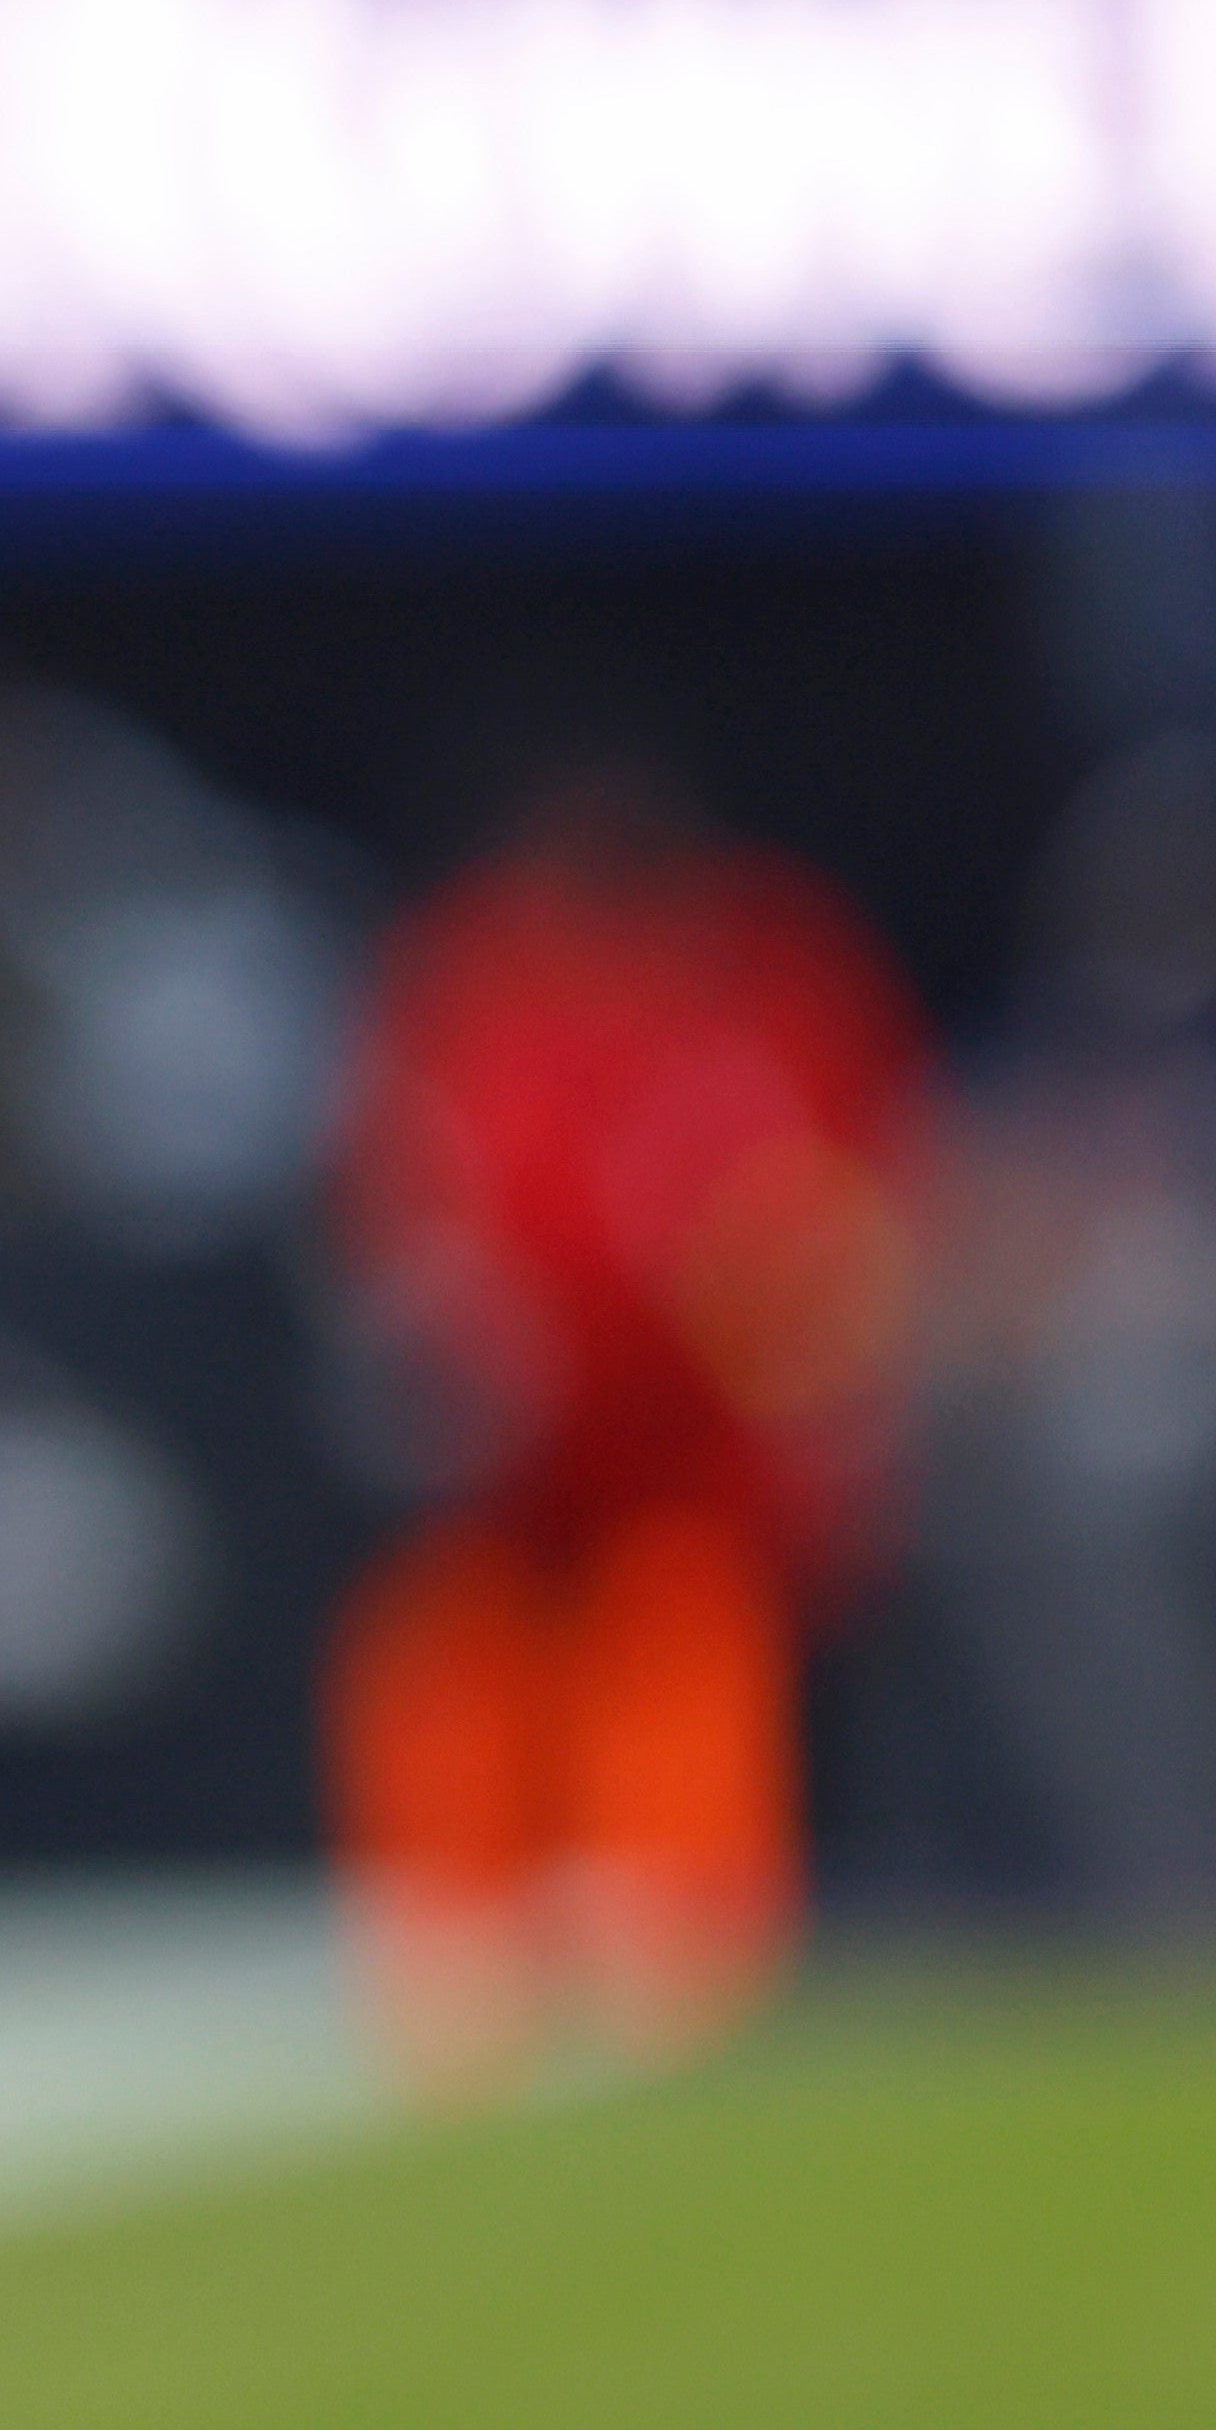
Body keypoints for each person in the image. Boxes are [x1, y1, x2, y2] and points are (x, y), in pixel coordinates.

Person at [324, 770, 930, 2095]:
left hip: (696, 1452)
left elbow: (842, 1204)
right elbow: (407, 1195)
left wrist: (822, 1370)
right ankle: (456, 1957)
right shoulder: (471, 979)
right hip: (518, 1452)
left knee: (679, 1628)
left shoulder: (764, 977)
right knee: (450, 1646)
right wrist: (444, 1339)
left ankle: (675, 1960)